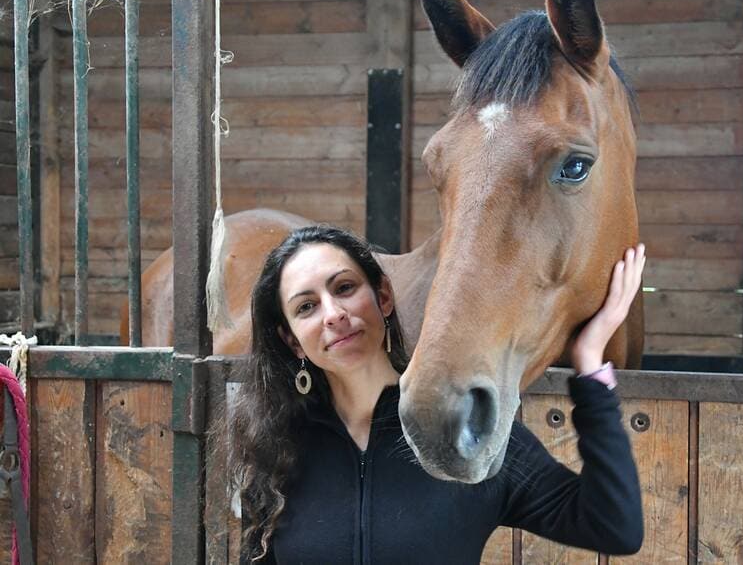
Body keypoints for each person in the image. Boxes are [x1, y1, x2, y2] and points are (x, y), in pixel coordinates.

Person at [228, 224, 646, 563]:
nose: (334, 315)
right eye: (306, 307)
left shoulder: (460, 433)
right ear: (293, 341)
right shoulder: (277, 446)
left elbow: (615, 526)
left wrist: (590, 366)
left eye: (343, 288)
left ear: (384, 297)